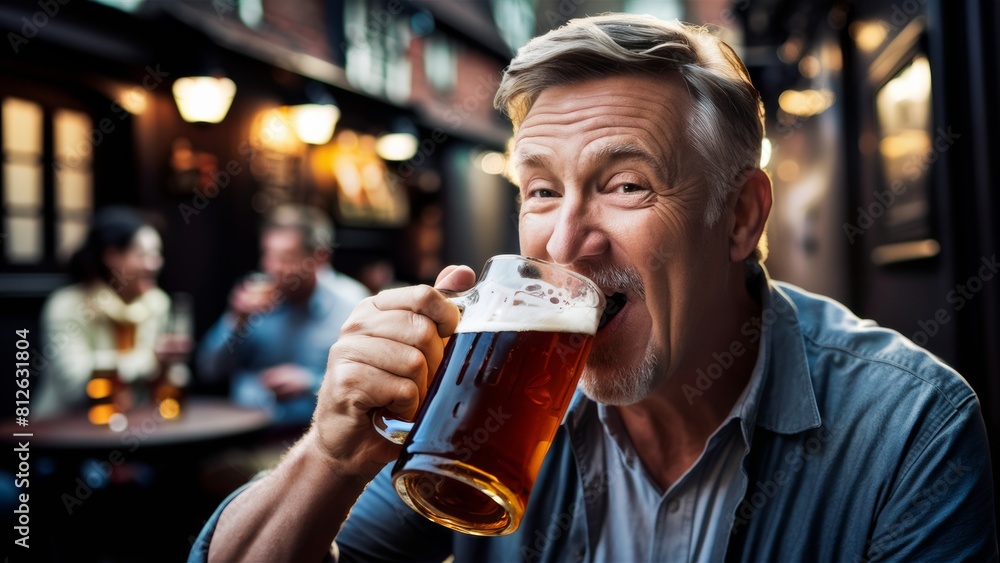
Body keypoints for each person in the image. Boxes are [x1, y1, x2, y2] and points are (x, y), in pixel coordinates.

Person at [191, 15, 997, 562]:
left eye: (626, 185)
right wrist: (332, 456)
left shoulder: (908, 428)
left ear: (740, 216)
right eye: (540, 191)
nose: (566, 240)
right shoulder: (483, 397)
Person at [196, 204, 370, 427]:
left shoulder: (352, 305)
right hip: (246, 431)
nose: (272, 267)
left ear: (320, 258)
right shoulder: (252, 297)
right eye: (268, 255)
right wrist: (236, 321)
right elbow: (209, 371)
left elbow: (365, 382)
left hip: (320, 435)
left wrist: (311, 382)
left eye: (286, 258)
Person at [35, 206, 185, 418]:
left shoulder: (157, 304)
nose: (155, 264)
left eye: (157, 254)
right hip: (64, 431)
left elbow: (169, 381)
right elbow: (73, 384)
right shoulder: (67, 305)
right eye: (143, 255)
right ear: (112, 256)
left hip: (132, 430)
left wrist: (169, 367)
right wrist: (149, 360)